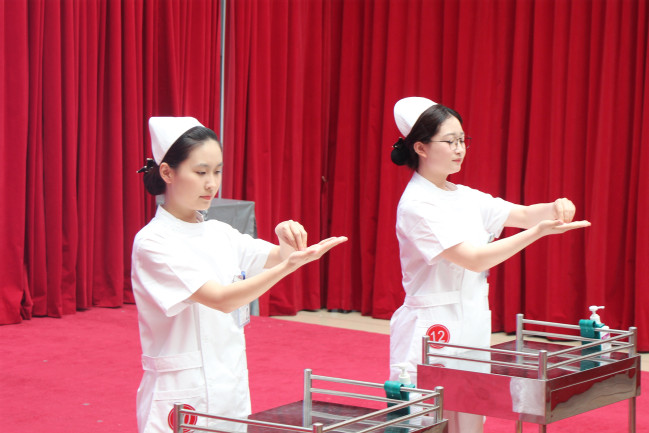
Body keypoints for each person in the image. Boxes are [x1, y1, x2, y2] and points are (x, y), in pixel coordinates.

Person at [132, 116, 347, 433]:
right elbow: (220, 299)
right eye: (201, 172)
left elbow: (276, 257)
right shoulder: (153, 242)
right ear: (167, 172)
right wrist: (289, 265)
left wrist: (286, 239)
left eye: (217, 171)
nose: (211, 183)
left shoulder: (218, 232)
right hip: (181, 394)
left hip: (229, 385)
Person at [388, 97, 590, 432]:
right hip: (432, 328)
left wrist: (556, 207)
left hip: (472, 323)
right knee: (426, 419)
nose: (459, 149)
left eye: (462, 140)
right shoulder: (416, 205)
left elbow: (522, 214)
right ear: (421, 148)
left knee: (471, 418)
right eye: (449, 141)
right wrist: (538, 232)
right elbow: (474, 258)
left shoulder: (465, 196)